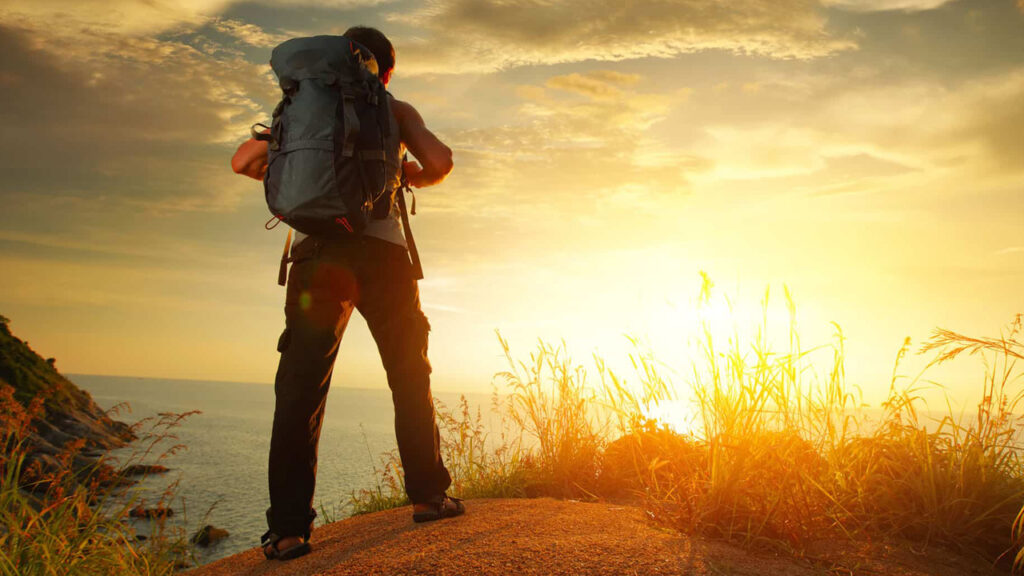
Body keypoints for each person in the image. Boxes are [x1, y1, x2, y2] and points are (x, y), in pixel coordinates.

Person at [231, 26, 462, 561]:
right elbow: (441, 163)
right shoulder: (394, 109)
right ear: (384, 70)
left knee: (300, 391)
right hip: (383, 257)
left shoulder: (298, 108)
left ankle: (288, 530)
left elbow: (244, 162)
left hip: (318, 258)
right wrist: (400, 176)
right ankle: (429, 496)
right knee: (408, 376)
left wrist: (303, 180)